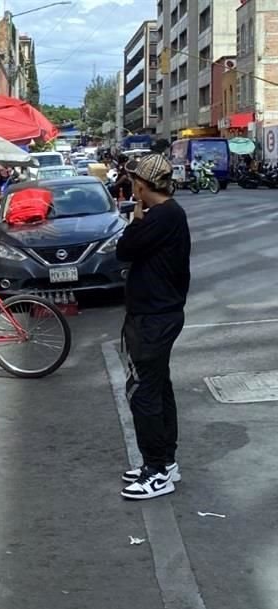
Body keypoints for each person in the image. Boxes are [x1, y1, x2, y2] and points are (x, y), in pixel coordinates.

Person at [116, 154, 191, 500]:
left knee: (144, 393)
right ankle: (165, 461)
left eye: (136, 184)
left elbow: (125, 249)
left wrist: (135, 217)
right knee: (159, 389)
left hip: (154, 319)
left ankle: (157, 470)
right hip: (159, 314)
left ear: (142, 187)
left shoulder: (162, 217)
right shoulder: (169, 215)